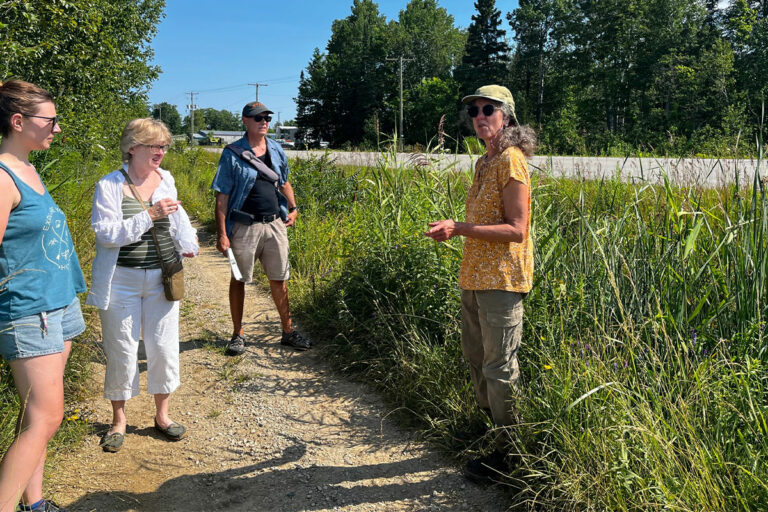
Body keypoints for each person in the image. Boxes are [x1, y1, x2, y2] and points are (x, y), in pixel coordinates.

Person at [425, 85, 537, 483]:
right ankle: (494, 433)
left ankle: (512, 453)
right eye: (474, 110)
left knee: (499, 367)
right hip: (474, 277)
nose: (479, 116)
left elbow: (517, 229)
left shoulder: (511, 160)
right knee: (477, 359)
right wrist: (458, 230)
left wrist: (459, 227)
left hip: (502, 281)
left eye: (488, 109)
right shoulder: (483, 162)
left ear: (506, 117)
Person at [0, 80, 86, 512]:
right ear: (18, 122)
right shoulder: (1, 176)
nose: (56, 128)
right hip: (30, 312)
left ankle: (34, 504)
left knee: (38, 419)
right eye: (49, 120)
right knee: (46, 417)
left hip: (58, 304)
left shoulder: (29, 166)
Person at [87, 118, 198, 453]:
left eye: (163, 146)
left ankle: (162, 416)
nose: (161, 152)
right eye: (154, 146)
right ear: (132, 147)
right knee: (121, 349)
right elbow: (105, 235)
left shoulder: (167, 179)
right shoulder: (109, 186)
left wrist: (188, 242)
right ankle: (118, 420)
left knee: (163, 347)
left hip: (161, 278)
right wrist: (148, 215)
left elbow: (178, 219)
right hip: (121, 280)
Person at [211, 101, 309, 355]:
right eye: (258, 118)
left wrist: (294, 208)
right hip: (245, 227)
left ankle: (288, 332)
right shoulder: (232, 153)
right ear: (245, 121)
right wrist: (222, 234)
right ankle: (237, 334)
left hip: (275, 224)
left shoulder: (276, 149)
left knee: (280, 279)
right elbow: (222, 196)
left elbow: (284, 181)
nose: (264, 121)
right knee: (239, 279)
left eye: (267, 118)